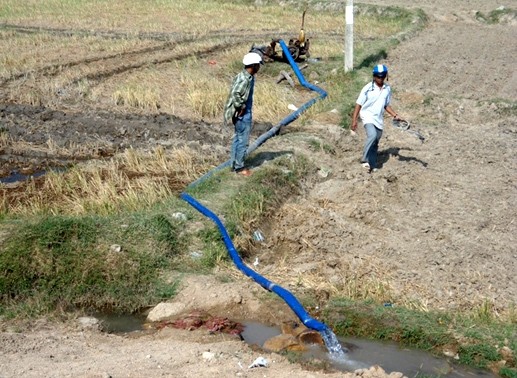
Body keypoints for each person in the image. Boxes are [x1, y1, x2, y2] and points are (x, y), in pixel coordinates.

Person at [351, 64, 402, 172]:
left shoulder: (387, 89)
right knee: (372, 135)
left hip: (378, 119)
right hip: (367, 116)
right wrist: (354, 120)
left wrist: (395, 115)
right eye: (378, 76)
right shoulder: (367, 88)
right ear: (374, 76)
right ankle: (364, 160)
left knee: (375, 143)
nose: (380, 78)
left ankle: (372, 165)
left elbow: (386, 105)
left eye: (383, 76)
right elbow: (358, 104)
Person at [223, 52, 263, 176]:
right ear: (254, 65)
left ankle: (234, 164)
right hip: (243, 114)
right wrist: (242, 106)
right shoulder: (245, 79)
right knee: (243, 141)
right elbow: (236, 93)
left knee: (237, 138)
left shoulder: (246, 76)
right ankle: (240, 168)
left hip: (241, 113)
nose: (259, 67)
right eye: (258, 65)